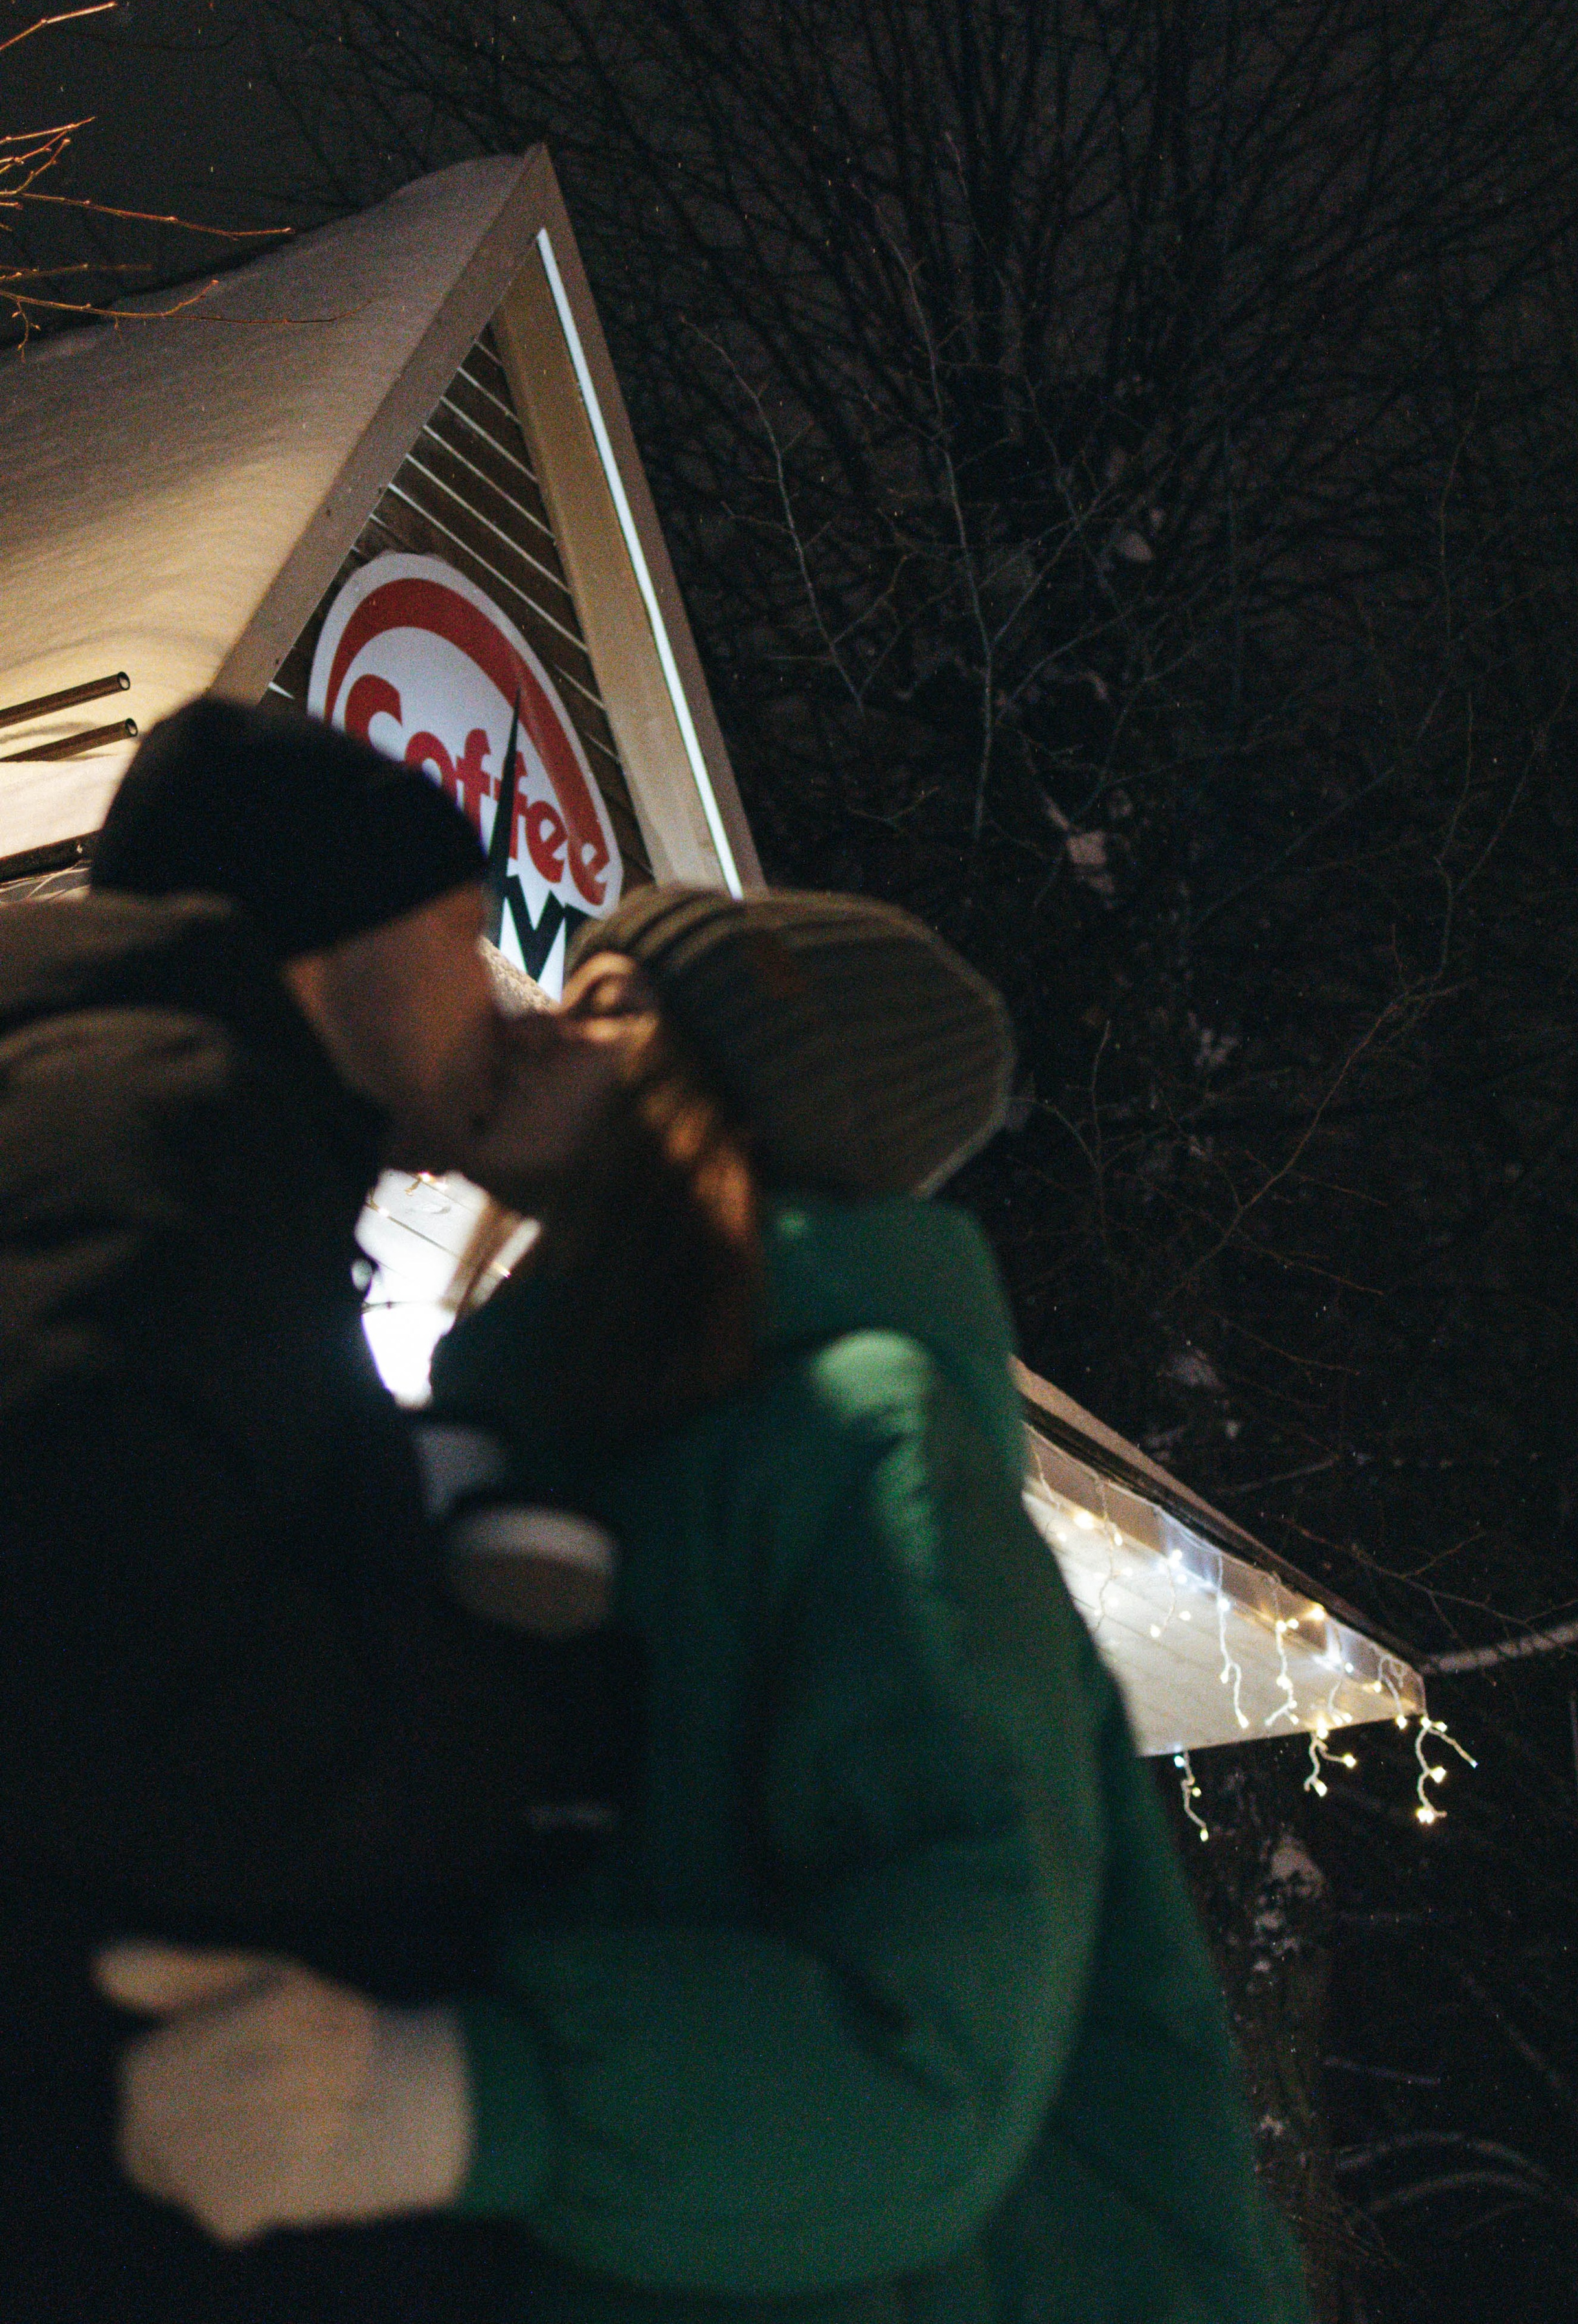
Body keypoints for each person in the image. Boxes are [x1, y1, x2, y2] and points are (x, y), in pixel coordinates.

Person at [104, 886, 1311, 2321]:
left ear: (736, 1098)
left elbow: (932, 2035)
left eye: (611, 1003)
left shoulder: (863, 1432)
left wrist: (458, 2096)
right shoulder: (559, 1443)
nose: (541, 1021)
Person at [0, 700, 635, 2323]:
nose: (498, 1003)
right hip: (121, 2158)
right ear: (346, 933)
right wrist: (522, 1726)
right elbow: (102, 1634)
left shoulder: (160, 1119)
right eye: (463, 938)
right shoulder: (156, 1129)